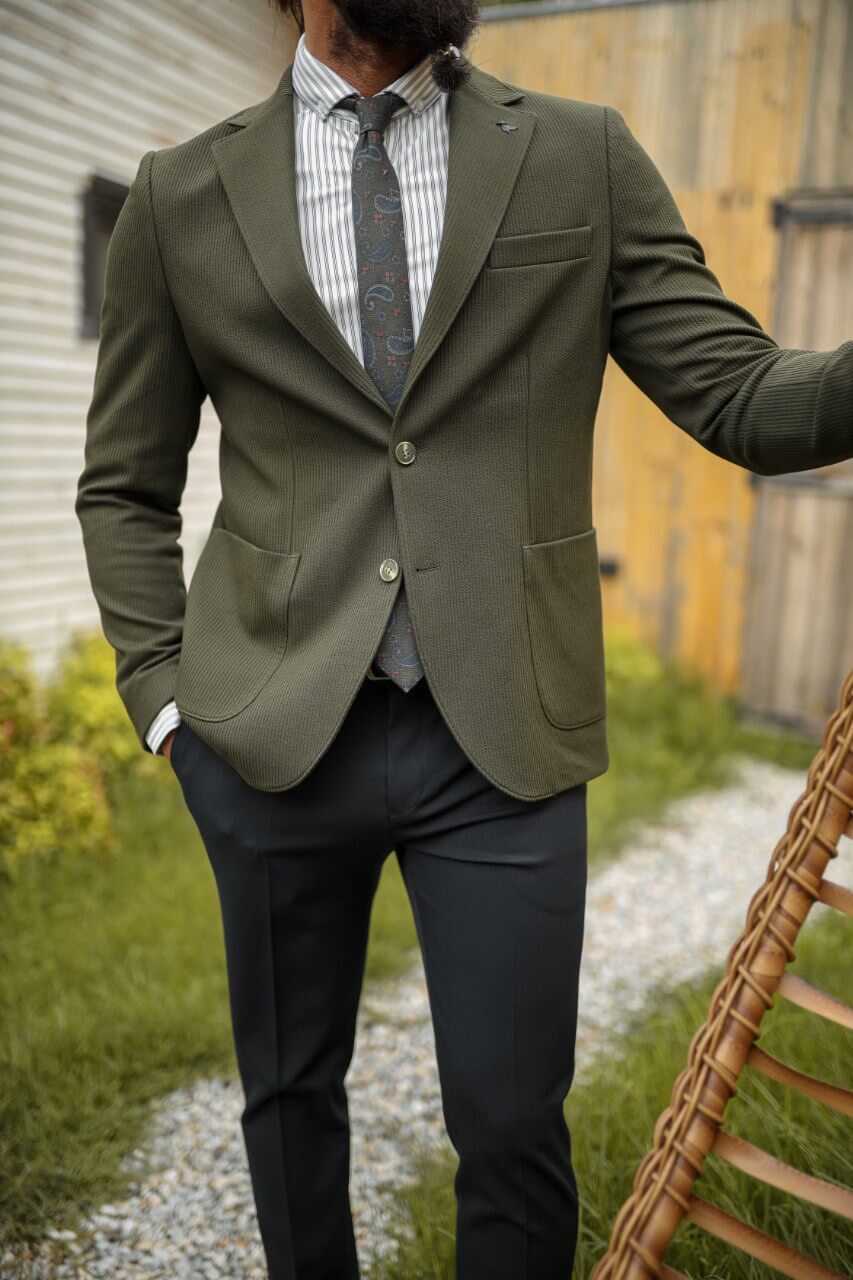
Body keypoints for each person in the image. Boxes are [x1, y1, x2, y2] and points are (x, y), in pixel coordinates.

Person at [75, 1, 852, 1276]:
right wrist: (166, 704)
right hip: (268, 731)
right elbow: (124, 484)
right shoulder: (181, 195)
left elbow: (741, 395)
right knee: (287, 1097)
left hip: (502, 737)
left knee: (508, 1126)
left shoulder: (578, 156)